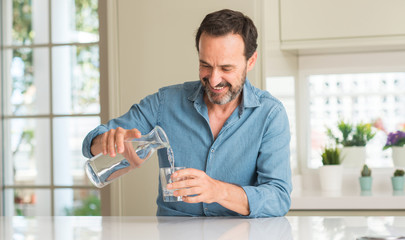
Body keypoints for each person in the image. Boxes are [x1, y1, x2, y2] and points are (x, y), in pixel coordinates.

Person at [82, 9, 292, 217]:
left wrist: (218, 191)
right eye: (205, 65)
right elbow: (90, 143)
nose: (214, 79)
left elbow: (279, 198)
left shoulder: (270, 114)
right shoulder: (165, 103)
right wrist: (107, 141)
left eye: (226, 68)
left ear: (251, 61)